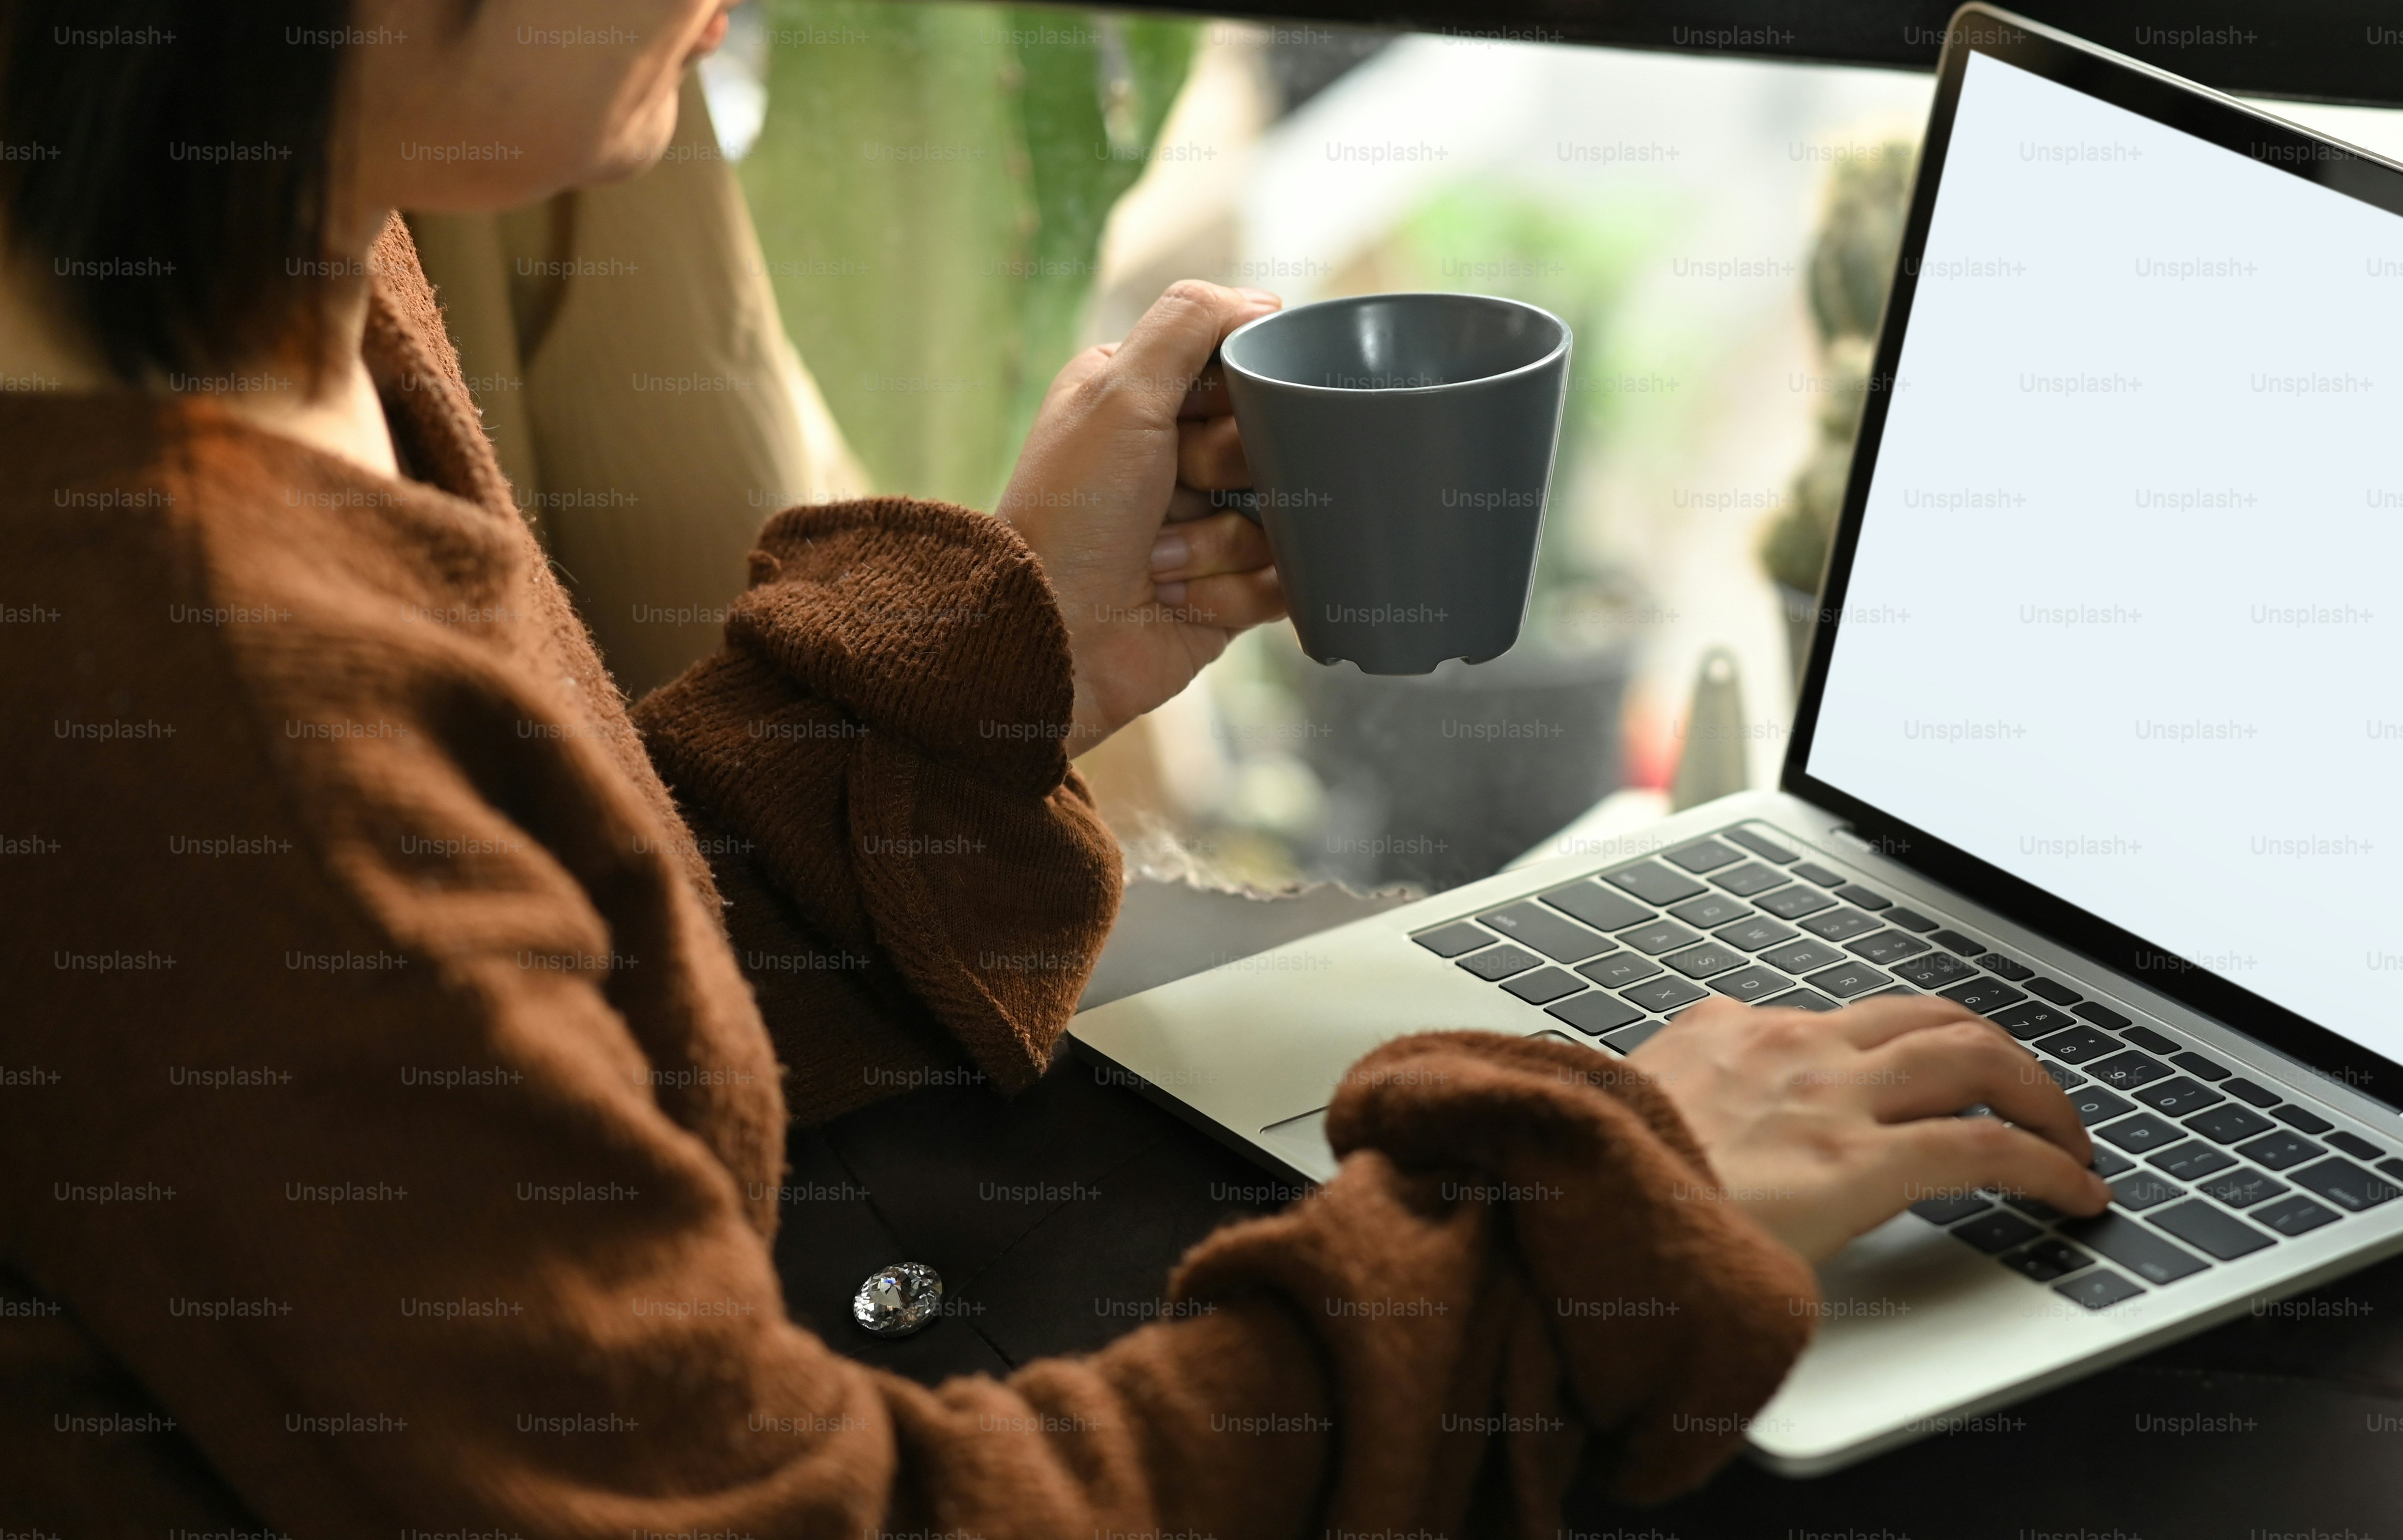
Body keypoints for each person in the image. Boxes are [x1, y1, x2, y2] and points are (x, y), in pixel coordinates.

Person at [0, 1, 2106, 1532]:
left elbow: (493, 1038)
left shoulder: (243, 245)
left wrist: (987, 670)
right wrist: (1608, 1226)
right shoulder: (178, 665)